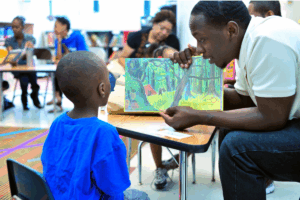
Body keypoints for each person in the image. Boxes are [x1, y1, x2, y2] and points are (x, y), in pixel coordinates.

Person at [159, 1, 300, 200]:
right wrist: (189, 85)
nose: (199, 49)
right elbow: (244, 99)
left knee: (237, 148)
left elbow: (272, 117)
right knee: (229, 131)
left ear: (231, 30)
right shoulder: (250, 41)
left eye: (203, 39)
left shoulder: (266, 39)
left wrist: (201, 116)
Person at [41, 51, 149, 200]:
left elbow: (48, 166)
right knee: (141, 196)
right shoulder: (104, 132)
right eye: (109, 78)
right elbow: (114, 186)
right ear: (102, 88)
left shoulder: (57, 123)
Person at [118, 10, 180, 190]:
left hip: (162, 86)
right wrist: (133, 70)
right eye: (162, 28)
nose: (164, 33)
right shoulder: (137, 37)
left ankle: (173, 161)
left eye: (168, 30)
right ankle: (160, 166)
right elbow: (122, 57)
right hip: (138, 86)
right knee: (153, 121)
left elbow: (175, 62)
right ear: (154, 24)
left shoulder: (172, 42)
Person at [46, 16, 89, 113]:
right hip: (67, 68)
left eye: (56, 26)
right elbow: (59, 59)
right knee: (58, 71)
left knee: (62, 71)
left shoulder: (77, 36)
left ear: (64, 26)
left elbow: (84, 55)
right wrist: (59, 42)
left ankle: (60, 99)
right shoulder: (58, 39)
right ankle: (58, 99)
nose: (54, 29)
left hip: (81, 67)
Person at [4, 16, 42, 111]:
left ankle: (32, 96)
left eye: (17, 27)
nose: (14, 29)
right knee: (24, 77)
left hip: (29, 66)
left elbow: (30, 55)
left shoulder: (30, 38)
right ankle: (28, 99)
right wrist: (17, 55)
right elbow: (12, 58)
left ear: (23, 27)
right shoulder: (9, 41)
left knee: (30, 75)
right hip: (17, 68)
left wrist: (29, 49)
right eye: (12, 27)